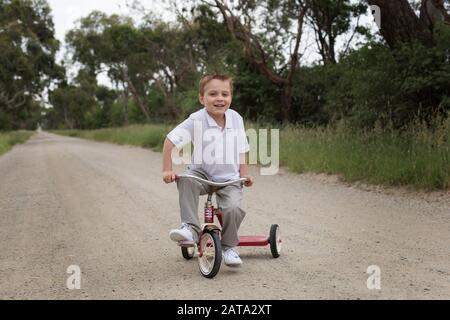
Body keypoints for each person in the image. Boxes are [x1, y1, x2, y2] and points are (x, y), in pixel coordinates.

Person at [162, 73, 254, 267]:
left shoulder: (236, 118)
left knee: (232, 209)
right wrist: (167, 170)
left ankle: (229, 247)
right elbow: (170, 141)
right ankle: (190, 228)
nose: (220, 98)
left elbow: (242, 148)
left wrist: (244, 173)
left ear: (230, 97)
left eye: (225, 94)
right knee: (185, 179)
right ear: (202, 98)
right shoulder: (196, 119)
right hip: (201, 174)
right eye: (213, 94)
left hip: (229, 178)